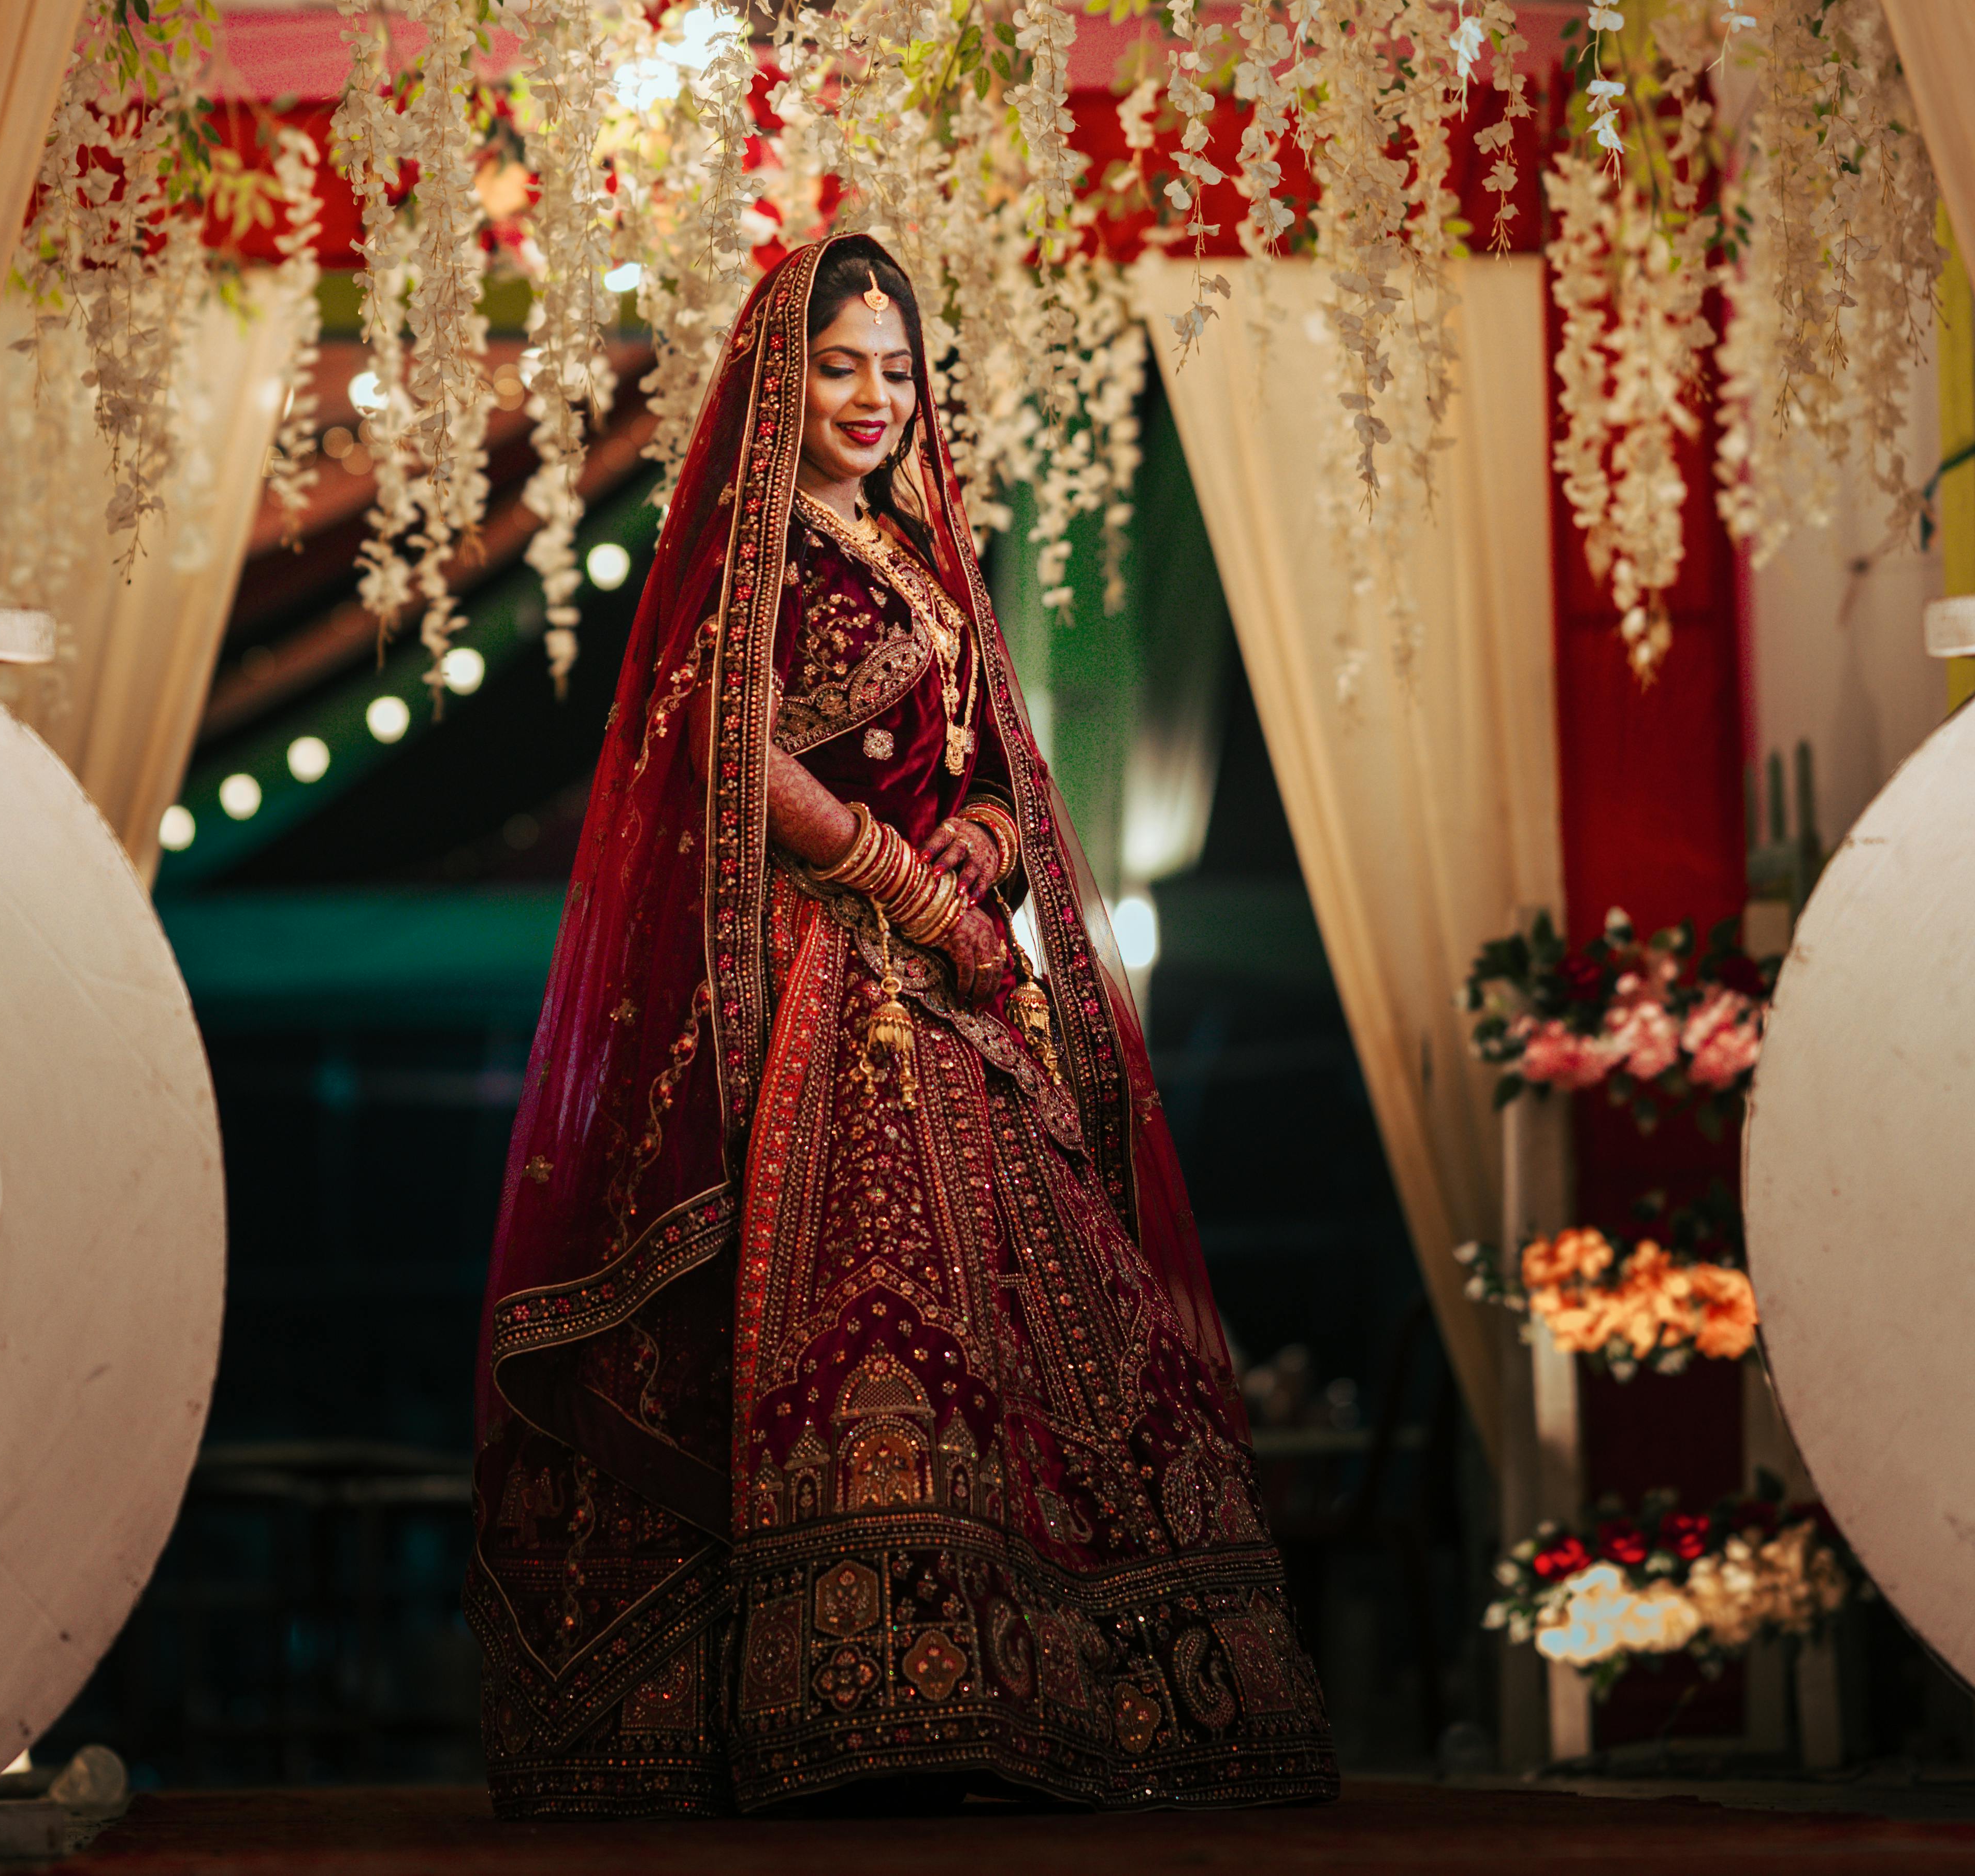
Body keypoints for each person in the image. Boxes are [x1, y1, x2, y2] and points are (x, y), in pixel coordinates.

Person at [469, 230, 1336, 1814]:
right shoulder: (753, 561)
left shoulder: (924, 553)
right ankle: (860, 1695)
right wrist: (907, 889)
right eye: (839, 367)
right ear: (778, 383)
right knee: (864, 1313)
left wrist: (991, 851)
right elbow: (725, 755)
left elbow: (991, 766)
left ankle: (1061, 1692)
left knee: (1061, 1323)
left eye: (898, 370)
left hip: (958, 994)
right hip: (830, 996)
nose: (873, 399)